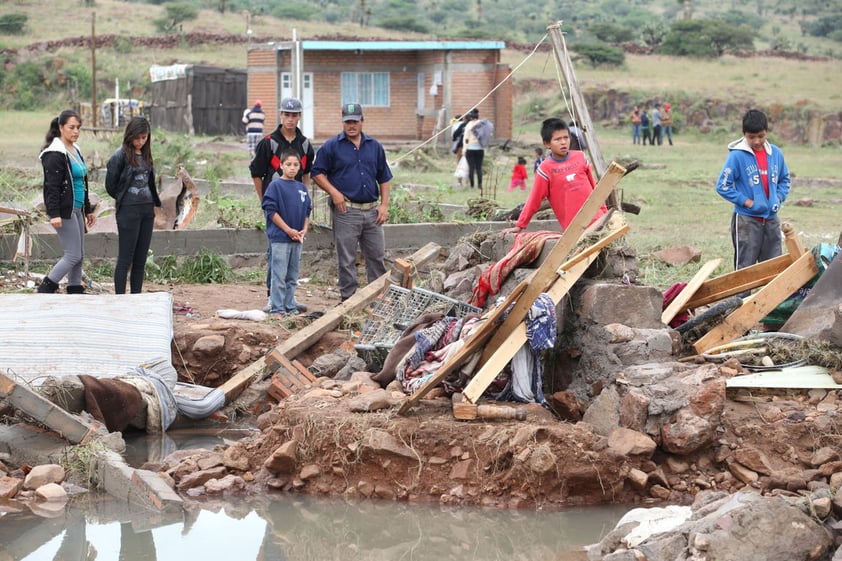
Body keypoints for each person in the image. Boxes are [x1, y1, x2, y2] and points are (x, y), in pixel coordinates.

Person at [311, 103, 393, 301]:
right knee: (346, 259)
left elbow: (384, 177)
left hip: (372, 212)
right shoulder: (331, 146)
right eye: (348, 121)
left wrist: (384, 205)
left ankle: (378, 299)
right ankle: (348, 300)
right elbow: (317, 172)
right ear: (343, 123)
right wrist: (334, 192)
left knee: (376, 257)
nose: (351, 125)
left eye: (355, 121)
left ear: (362, 121)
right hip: (346, 212)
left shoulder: (374, 147)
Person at [249, 97, 314, 312]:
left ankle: (289, 300)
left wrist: (305, 199)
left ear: (299, 117)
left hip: (296, 206)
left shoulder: (304, 144)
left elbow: (305, 175)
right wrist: (264, 202)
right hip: (275, 205)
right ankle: (272, 299)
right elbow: (257, 174)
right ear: (281, 115)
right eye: (286, 114)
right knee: (275, 253)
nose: (290, 118)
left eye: (294, 115)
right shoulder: (268, 142)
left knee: (293, 257)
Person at [501, 118, 606, 237]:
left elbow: (595, 190)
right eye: (557, 139)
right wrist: (520, 225)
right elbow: (534, 200)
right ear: (547, 143)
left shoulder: (580, 157)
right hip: (575, 230)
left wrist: (605, 213)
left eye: (566, 138)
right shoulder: (545, 169)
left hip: (598, 220)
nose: (563, 142)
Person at [715, 109, 790, 274]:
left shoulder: (776, 154)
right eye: (751, 137)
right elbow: (723, 186)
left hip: (771, 220)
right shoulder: (736, 156)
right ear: (744, 134)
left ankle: (772, 300)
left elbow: (785, 180)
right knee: (745, 269)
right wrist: (747, 202)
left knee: (774, 267)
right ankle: (742, 300)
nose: (757, 141)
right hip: (746, 221)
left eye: (761, 136)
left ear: (767, 132)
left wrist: (778, 197)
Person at [37, 109, 96, 294]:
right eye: (72, 127)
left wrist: (88, 209)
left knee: (79, 255)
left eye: (78, 127)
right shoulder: (55, 154)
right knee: (72, 255)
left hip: (77, 208)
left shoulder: (75, 150)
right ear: (61, 127)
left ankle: (74, 288)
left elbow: (82, 182)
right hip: (64, 210)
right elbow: (51, 187)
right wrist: (53, 213)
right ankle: (46, 288)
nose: (76, 131)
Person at [105, 116, 161, 294]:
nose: (140, 142)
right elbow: (111, 185)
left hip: (147, 211)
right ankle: (120, 298)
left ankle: (136, 297)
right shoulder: (120, 155)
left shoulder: (146, 154)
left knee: (140, 259)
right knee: (125, 258)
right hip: (128, 211)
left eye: (144, 138)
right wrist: (126, 199)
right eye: (137, 138)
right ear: (130, 135)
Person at [261, 149, 312, 316]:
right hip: (280, 238)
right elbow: (271, 211)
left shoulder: (301, 188)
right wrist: (287, 230)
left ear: (300, 167)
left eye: (295, 165)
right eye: (288, 164)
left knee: (292, 276)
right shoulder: (275, 186)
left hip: (297, 239)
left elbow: (307, 211)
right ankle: (277, 308)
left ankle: (290, 306)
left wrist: (304, 229)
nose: (292, 168)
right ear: (281, 165)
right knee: (279, 275)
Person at [462, 108, 493, 191]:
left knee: (471, 167)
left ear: (471, 117)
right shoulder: (482, 124)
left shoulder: (468, 125)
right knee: (479, 168)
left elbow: (466, 138)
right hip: (480, 148)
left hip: (470, 148)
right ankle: (480, 185)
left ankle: (472, 185)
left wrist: (464, 149)